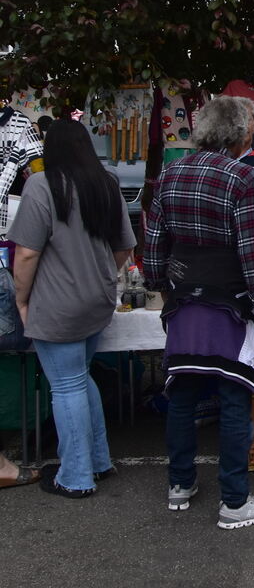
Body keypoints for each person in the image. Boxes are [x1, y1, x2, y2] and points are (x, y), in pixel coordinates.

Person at [144, 95, 254, 528]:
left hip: (184, 299)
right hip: (230, 304)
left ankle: (180, 483)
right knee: (232, 400)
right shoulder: (242, 178)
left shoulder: (169, 173)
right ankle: (235, 501)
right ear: (243, 133)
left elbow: (153, 246)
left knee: (183, 395)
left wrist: (159, 288)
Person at [8, 119, 136, 499]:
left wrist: (21, 299)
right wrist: (99, 277)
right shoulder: (106, 183)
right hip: (97, 300)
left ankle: (77, 475)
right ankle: (97, 461)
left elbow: (27, 253)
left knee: (66, 386)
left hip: (58, 304)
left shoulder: (41, 186)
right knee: (80, 378)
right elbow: (124, 247)